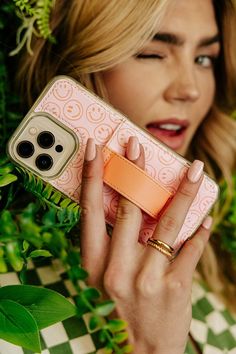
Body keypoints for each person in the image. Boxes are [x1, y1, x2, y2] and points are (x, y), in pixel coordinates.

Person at [1, 0, 236, 353]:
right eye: (152, 54)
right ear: (84, 60)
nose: (190, 89)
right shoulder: (14, 292)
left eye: (204, 58)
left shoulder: (218, 255)